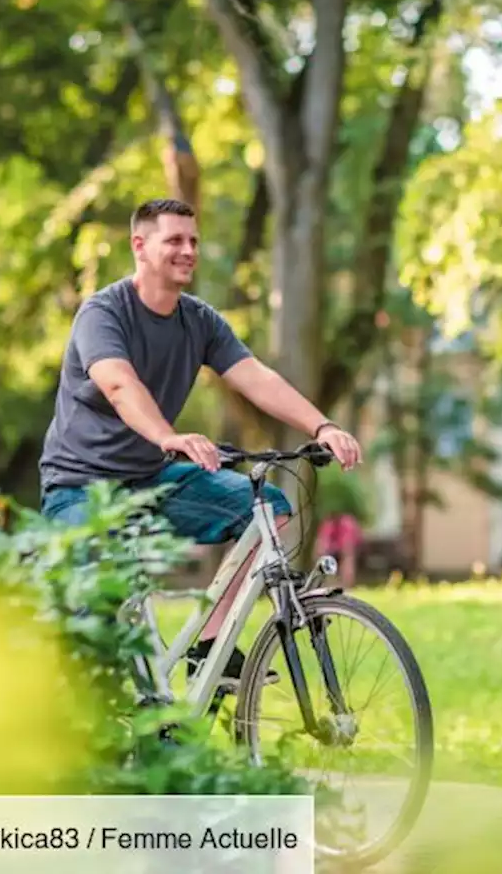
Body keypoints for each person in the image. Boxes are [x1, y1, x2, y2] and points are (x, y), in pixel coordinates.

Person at [38, 197, 362, 686]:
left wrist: (323, 426)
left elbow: (256, 377)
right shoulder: (102, 314)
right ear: (140, 247)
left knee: (267, 508)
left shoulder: (200, 320)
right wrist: (169, 436)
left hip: (152, 478)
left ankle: (211, 648)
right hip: (82, 488)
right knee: (98, 626)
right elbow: (120, 385)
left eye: (193, 241)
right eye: (174, 240)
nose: (188, 250)